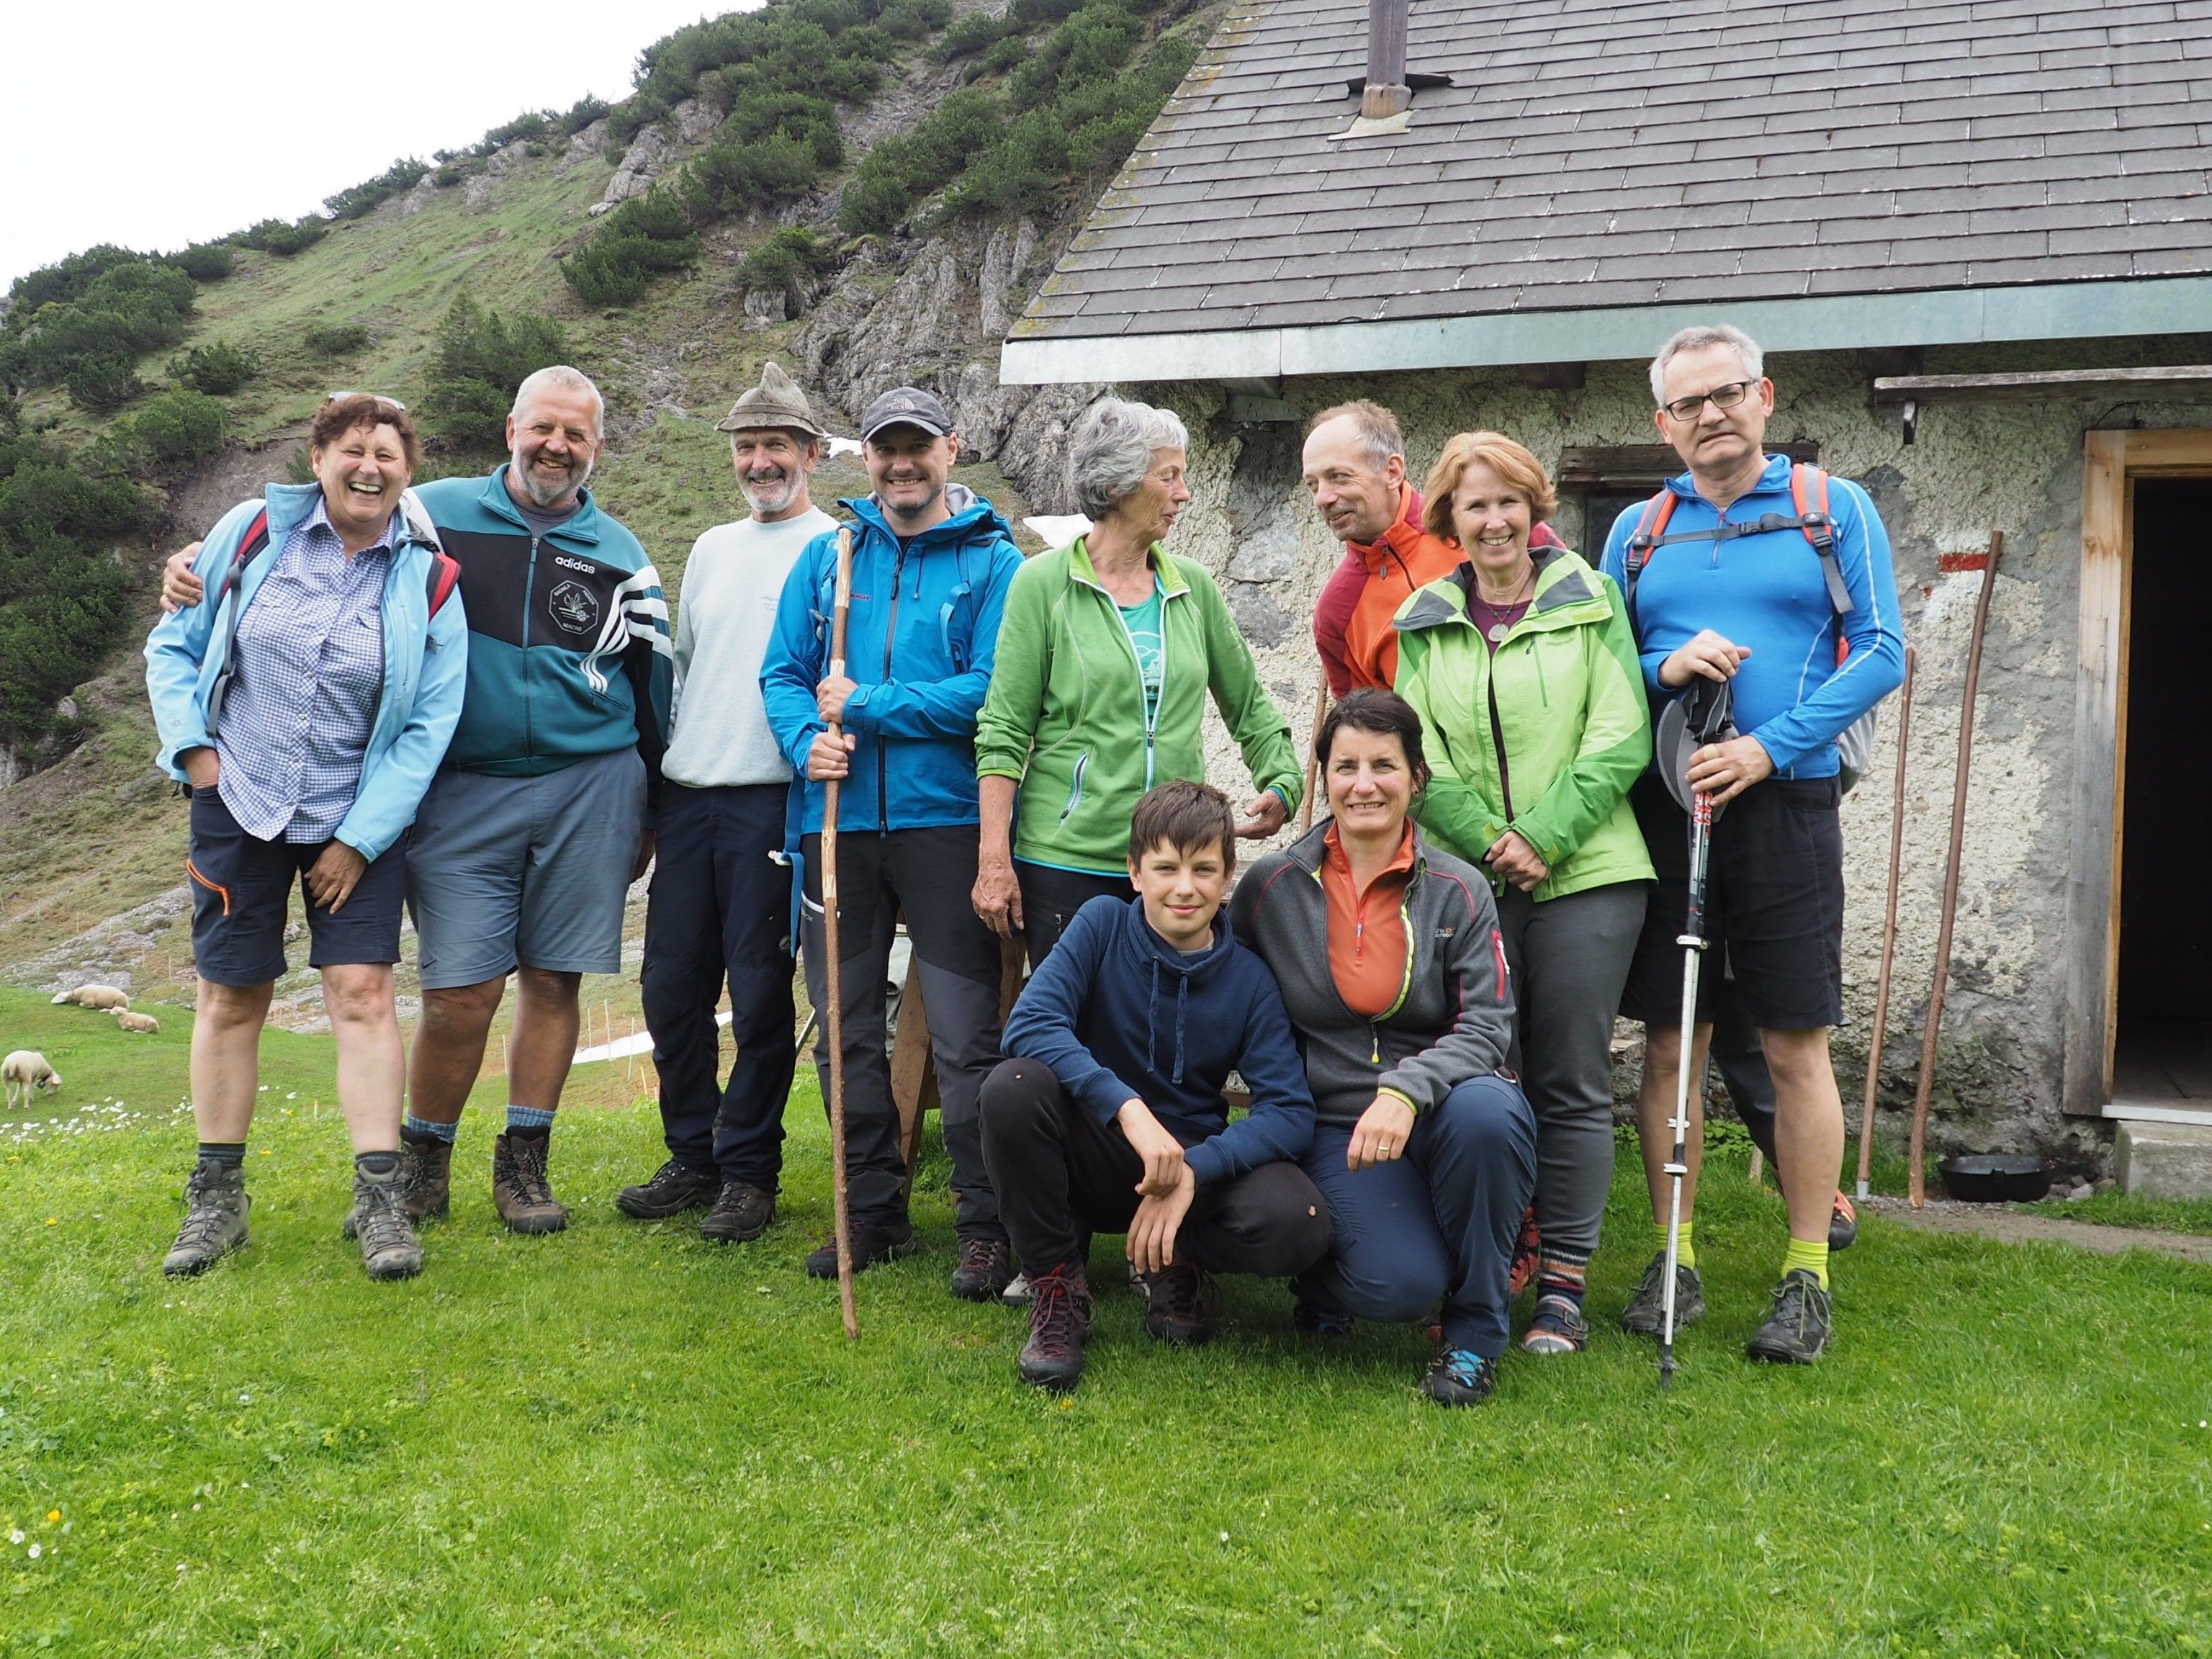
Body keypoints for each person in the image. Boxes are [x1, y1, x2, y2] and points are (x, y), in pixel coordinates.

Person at [163, 367, 671, 1236]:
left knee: (554, 980)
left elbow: (653, 684)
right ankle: (423, 1163)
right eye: (542, 427)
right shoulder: (427, 511)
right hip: (459, 787)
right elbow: (310, 525)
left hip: (591, 785)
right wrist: (188, 569)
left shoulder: (624, 551)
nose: (556, 446)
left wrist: (652, 806)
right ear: (511, 427)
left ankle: (523, 1166)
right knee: (458, 991)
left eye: (576, 435)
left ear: (596, 446)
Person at [1599, 323, 1904, 1363]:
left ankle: (1806, 1272)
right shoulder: (1639, 532)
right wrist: (1664, 661)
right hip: (1670, 807)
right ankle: (1671, 1254)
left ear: (1764, 397)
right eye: (1689, 404)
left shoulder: (1832, 508)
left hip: (1786, 806)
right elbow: (1602, 665)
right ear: (1664, 423)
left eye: (1728, 393)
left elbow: (1883, 651)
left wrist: (1771, 750)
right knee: (1672, 1041)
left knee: (1792, 1040)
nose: (1711, 415)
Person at [144, 395, 467, 1280]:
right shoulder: (250, 533)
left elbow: (428, 726)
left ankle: (380, 1204)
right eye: (354, 450)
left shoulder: (430, 577)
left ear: (409, 471)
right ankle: (216, 1201)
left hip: (358, 817)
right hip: (237, 803)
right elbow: (175, 647)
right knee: (230, 995)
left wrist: (360, 840)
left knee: (362, 994)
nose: (371, 467)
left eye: (389, 455)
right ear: (320, 456)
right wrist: (194, 753)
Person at [1390, 433, 1653, 1357]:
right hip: (1471, 879)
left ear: (1535, 508)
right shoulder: (1422, 618)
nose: (1494, 520)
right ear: (1449, 522)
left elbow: (1620, 735)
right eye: (1474, 505)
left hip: (1591, 874)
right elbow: (1418, 756)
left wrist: (1542, 836)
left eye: (1509, 501)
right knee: (1480, 1072)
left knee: (1571, 1080)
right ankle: (1498, 1255)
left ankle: (1566, 1289)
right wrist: (1491, 845)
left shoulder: (1591, 600)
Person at [760, 385, 1024, 1300]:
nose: (901, 463)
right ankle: (872, 1210)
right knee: (843, 1032)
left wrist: (869, 708)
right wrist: (808, 741)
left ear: (952, 449)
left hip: (947, 825)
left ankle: (988, 1225)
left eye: (918, 446)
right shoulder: (829, 556)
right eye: (885, 448)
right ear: (864, 458)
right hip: (834, 829)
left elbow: (992, 693)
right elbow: (785, 674)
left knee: (964, 1036)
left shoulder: (996, 565)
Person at [1233, 692, 1536, 1406]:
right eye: (1346, 767)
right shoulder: (1270, 888)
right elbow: (1230, 998)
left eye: (1383, 765)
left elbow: (1491, 1023)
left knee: (1490, 1113)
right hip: (1336, 1124)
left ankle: (1473, 1338)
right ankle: (1329, 1276)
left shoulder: (1460, 890)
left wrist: (1407, 1089)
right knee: (1398, 1287)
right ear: (1324, 779)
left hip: (1449, 1111)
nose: (1364, 784)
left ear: (1416, 778)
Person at [981, 781, 1331, 1391]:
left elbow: (1290, 1112)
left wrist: (1196, 1169)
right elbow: (1031, 1023)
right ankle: (1058, 1286)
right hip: (1097, 1156)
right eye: (1165, 867)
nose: (1185, 887)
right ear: (1135, 873)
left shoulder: (1249, 978)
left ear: (1226, 878)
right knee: (1012, 1086)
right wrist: (1128, 1109)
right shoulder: (1100, 926)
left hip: (1190, 1172)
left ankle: (1181, 1257)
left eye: (1204, 869)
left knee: (1295, 1216)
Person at [616, 364, 835, 1244]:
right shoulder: (710, 546)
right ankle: (692, 1151)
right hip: (691, 794)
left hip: (772, 800)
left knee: (757, 995)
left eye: (776, 445)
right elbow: (683, 675)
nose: (759, 461)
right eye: (747, 447)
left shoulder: (839, 546)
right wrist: (656, 795)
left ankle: (749, 1170)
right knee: (670, 987)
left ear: (812, 453)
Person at [972, 397, 1300, 967]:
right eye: (1169, 476)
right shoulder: (1042, 585)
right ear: (1119, 484)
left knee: (1167, 1028)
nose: (1184, 493)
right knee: (1075, 1035)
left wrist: (1283, 780)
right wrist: (994, 858)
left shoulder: (1192, 587)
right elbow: (1003, 732)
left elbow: (1248, 706)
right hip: (1067, 860)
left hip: (1174, 861)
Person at [1303, 400, 1564, 697]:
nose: (1323, 498)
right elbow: (1368, 730)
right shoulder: (1337, 612)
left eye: (1338, 476)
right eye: (1313, 484)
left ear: (1392, 471)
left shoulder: (1491, 529)